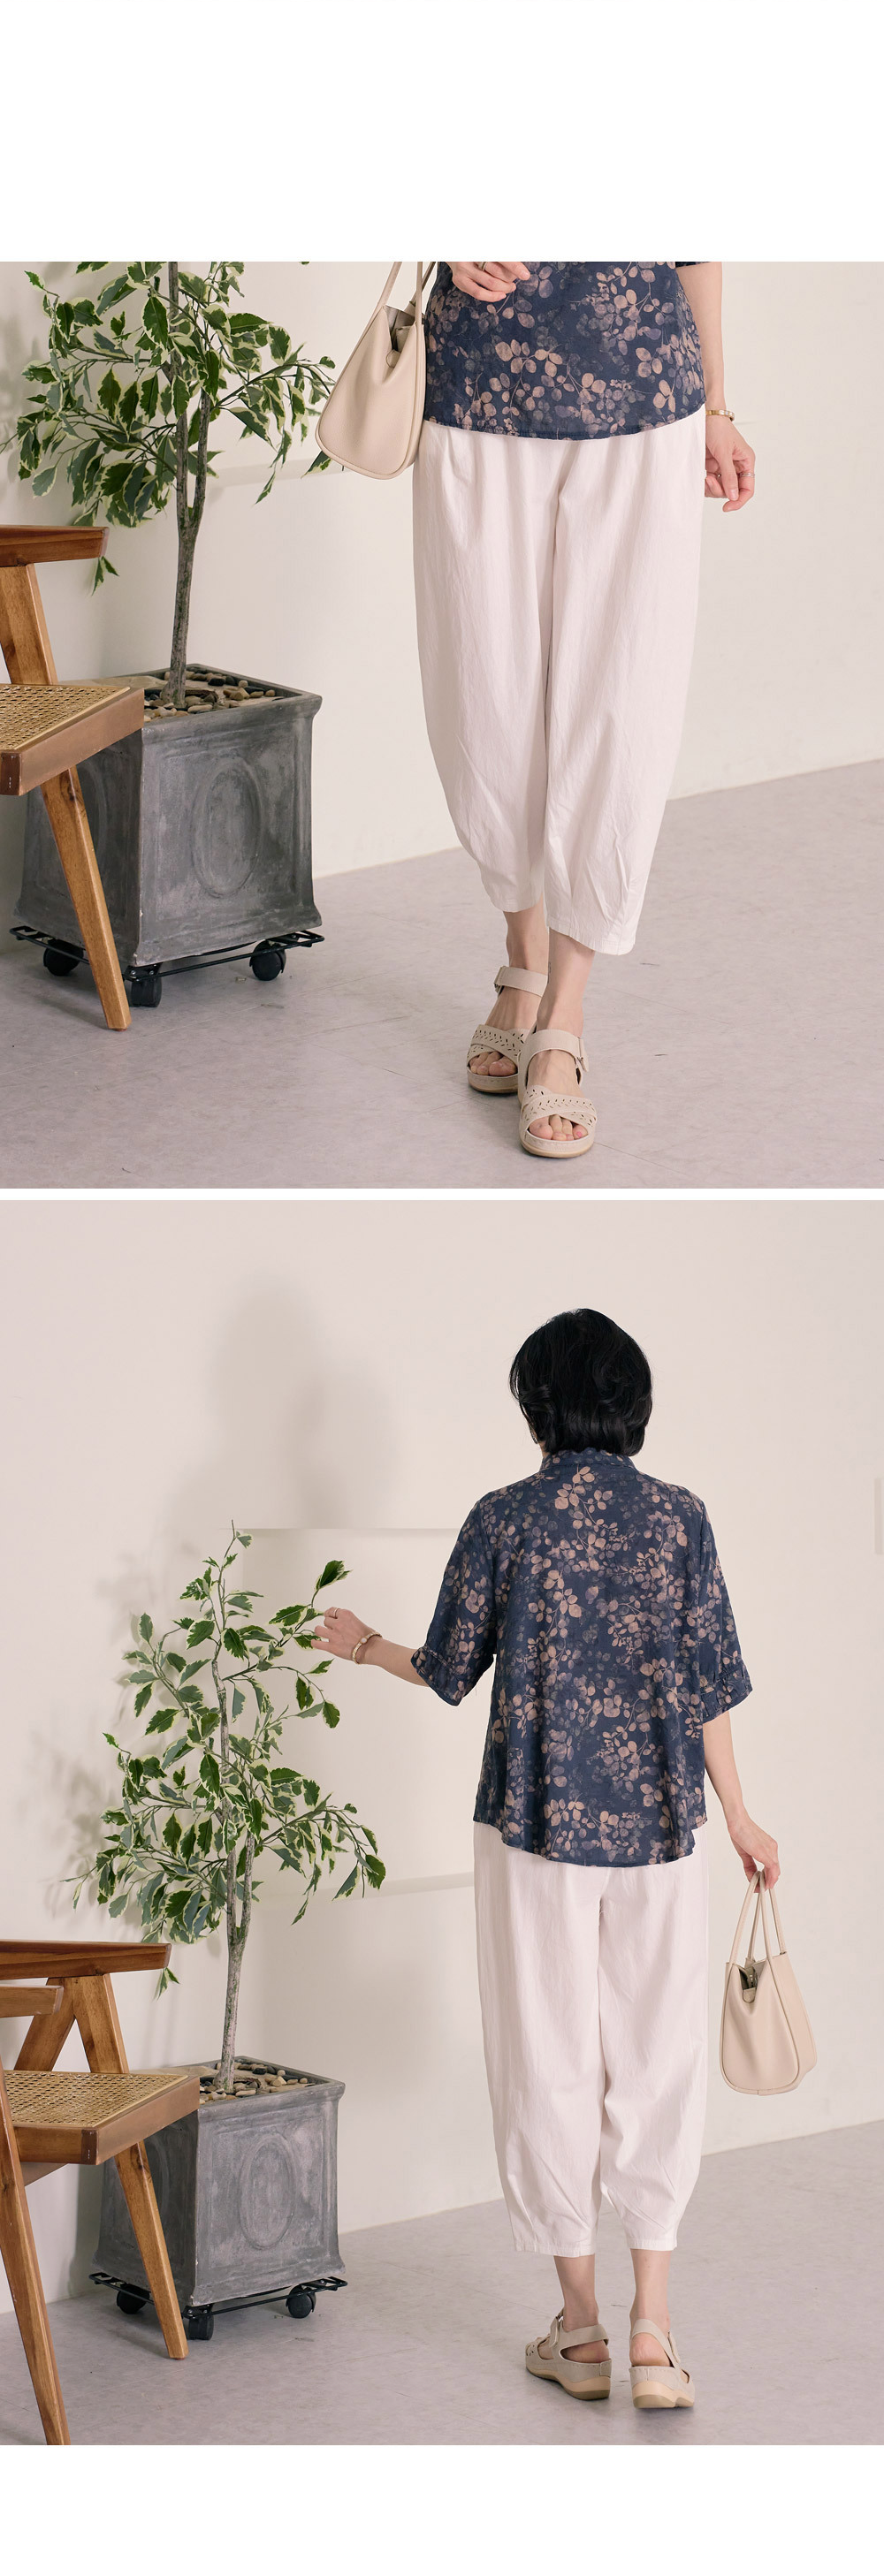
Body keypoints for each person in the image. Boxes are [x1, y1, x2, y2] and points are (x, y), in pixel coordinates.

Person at [320, 1301, 779, 2414]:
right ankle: (654, 2332)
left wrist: (362, 1642)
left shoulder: (506, 1516)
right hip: (660, 1829)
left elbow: (446, 1667)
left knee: (549, 2060)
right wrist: (741, 1814)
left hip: (534, 1828)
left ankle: (578, 2332)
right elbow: (708, 1683)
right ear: (633, 1402)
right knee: (657, 2059)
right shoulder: (680, 1518)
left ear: (537, 1403)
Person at [412, 259, 754, 1147]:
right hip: (477, 386)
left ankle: (562, 1013)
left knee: (621, 705)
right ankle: (522, 960)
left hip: (645, 394)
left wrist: (717, 407)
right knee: (483, 702)